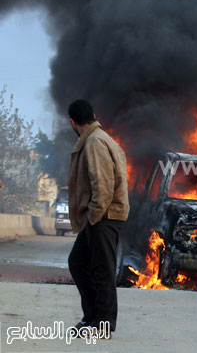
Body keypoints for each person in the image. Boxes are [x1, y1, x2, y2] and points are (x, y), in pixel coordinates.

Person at [67, 100, 129, 336]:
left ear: (73, 122)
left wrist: (93, 215)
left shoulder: (94, 142)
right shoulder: (99, 139)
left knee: (102, 270)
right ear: (93, 115)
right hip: (99, 216)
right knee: (78, 263)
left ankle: (103, 324)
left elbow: (102, 186)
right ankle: (92, 317)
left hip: (103, 216)